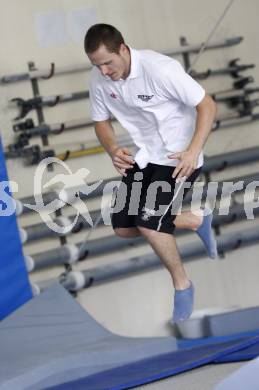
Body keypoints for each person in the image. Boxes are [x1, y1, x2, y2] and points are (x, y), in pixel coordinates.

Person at [84, 23, 217, 323]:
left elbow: (207, 105)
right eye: (97, 65)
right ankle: (196, 220)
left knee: (148, 222)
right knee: (122, 227)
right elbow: (100, 121)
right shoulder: (99, 78)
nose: (104, 71)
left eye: (108, 62)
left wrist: (193, 150)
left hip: (177, 156)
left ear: (123, 49)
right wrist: (113, 149)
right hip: (144, 157)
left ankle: (182, 285)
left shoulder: (160, 69)